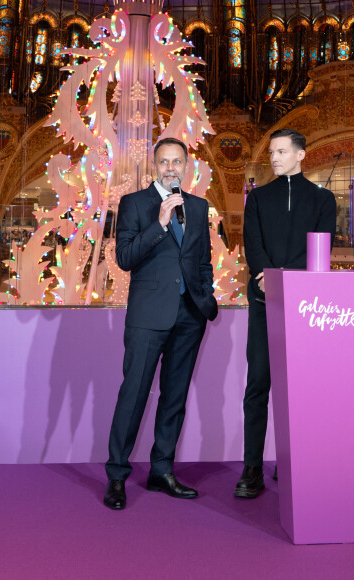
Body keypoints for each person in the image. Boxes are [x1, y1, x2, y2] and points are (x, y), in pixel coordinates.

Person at [104, 137, 218, 510]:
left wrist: (206, 298)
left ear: (186, 166)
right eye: (164, 162)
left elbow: (202, 259)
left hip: (190, 316)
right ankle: (117, 475)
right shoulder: (135, 203)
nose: (171, 168)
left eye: (177, 162)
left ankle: (161, 470)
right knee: (134, 394)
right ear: (155, 166)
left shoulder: (199, 207)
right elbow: (124, 257)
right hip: (148, 317)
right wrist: (160, 223)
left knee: (175, 397)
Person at [236, 128, 336, 498]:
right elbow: (253, 244)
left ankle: (294, 460)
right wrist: (267, 277)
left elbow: (321, 248)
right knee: (258, 383)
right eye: (272, 152)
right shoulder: (258, 199)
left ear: (301, 154)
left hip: (306, 306)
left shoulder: (323, 200)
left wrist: (288, 280)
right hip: (263, 301)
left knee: (301, 388)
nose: (274, 158)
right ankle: (251, 467)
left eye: (281, 151)